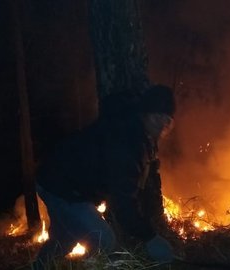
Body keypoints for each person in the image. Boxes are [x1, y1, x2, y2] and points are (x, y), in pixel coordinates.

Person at [33, 85, 176, 268]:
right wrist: (150, 238)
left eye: (168, 120)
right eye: (158, 117)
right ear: (146, 113)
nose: (162, 124)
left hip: (62, 182)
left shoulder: (141, 135)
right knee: (103, 240)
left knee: (64, 238)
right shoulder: (126, 140)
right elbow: (123, 202)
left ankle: (38, 267)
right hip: (61, 186)